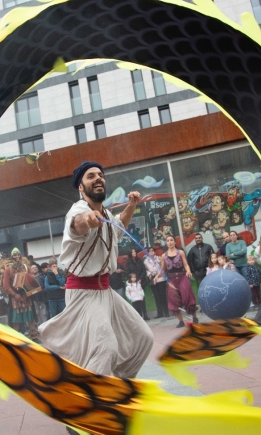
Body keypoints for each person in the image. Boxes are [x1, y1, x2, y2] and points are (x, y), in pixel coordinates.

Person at [39, 161, 154, 390]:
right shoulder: (79, 210)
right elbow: (77, 224)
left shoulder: (107, 213)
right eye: (90, 176)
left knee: (143, 338)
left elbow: (119, 224)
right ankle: (89, 407)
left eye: (100, 175)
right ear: (81, 187)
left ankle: (118, 388)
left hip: (105, 291)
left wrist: (131, 205)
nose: (98, 178)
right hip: (84, 292)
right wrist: (87, 221)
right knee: (105, 347)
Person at [2, 249, 39, 340]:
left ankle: (34, 337)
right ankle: (16, 340)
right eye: (14, 255)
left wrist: (28, 293)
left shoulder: (26, 267)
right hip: (15, 298)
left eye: (18, 254)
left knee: (30, 318)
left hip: (26, 296)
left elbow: (30, 280)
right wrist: (15, 295)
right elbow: (6, 285)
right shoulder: (8, 269)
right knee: (16, 320)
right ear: (12, 257)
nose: (17, 256)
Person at [163, 235, 199, 328]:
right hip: (171, 280)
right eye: (168, 241)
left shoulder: (181, 252)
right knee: (173, 300)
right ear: (166, 243)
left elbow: (186, 264)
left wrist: (188, 271)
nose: (170, 242)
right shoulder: (164, 255)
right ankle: (181, 321)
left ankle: (194, 317)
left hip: (182, 277)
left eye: (171, 240)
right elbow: (163, 269)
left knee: (187, 296)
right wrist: (156, 276)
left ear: (175, 242)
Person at [124, 249, 149, 320]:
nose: (134, 253)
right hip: (132, 284)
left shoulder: (139, 260)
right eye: (132, 252)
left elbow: (144, 270)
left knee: (142, 299)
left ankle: (145, 314)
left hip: (141, 282)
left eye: (135, 251)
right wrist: (133, 279)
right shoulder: (128, 263)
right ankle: (138, 316)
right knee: (135, 302)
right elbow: (127, 272)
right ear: (130, 253)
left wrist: (140, 279)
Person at [144, 247, 168, 318]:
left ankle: (166, 312)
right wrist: (149, 274)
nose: (151, 252)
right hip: (153, 279)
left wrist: (160, 263)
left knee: (163, 296)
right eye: (150, 251)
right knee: (156, 297)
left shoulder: (160, 258)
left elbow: (164, 267)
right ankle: (159, 313)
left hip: (161, 279)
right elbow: (145, 270)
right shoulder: (146, 261)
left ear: (155, 252)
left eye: (152, 251)